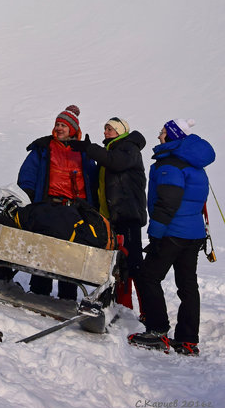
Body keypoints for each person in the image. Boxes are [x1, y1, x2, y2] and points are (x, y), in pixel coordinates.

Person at [128, 118, 215, 355]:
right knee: (187, 285)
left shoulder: (170, 165)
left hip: (173, 232)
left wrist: (155, 235)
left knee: (148, 276)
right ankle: (188, 340)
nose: (159, 136)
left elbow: (167, 203)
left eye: (163, 132)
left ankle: (157, 331)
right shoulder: (195, 166)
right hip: (193, 233)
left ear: (173, 136)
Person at [17, 104, 97, 299]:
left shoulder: (84, 152)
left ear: (73, 129)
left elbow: (92, 181)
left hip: (73, 210)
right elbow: (28, 173)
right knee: (43, 248)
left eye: (64, 125)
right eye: (57, 124)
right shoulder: (43, 147)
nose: (59, 128)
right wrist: (27, 195)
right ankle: (39, 291)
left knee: (69, 253)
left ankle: (67, 295)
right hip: (47, 205)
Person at [71, 117, 146, 311]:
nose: (105, 132)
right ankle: (118, 302)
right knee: (113, 263)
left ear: (121, 132)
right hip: (110, 217)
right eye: (105, 128)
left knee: (134, 263)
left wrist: (90, 149)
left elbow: (116, 163)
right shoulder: (110, 152)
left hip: (127, 216)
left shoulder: (130, 148)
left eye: (110, 129)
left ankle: (146, 309)